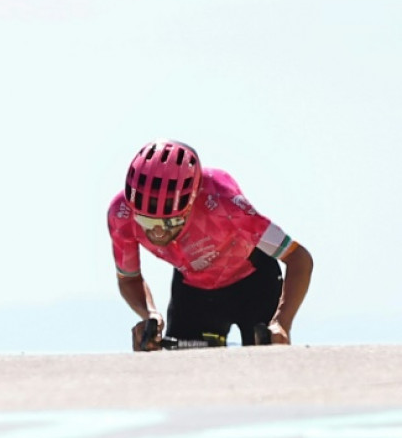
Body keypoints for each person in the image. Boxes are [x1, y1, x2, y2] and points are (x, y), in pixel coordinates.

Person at [107, 139, 312, 351]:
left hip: (255, 284)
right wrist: (150, 314)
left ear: (191, 204)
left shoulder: (224, 202)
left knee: (268, 360)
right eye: (147, 221)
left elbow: (299, 259)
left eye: (170, 222)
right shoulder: (121, 215)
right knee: (164, 360)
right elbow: (128, 279)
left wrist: (282, 323)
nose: (158, 232)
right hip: (193, 292)